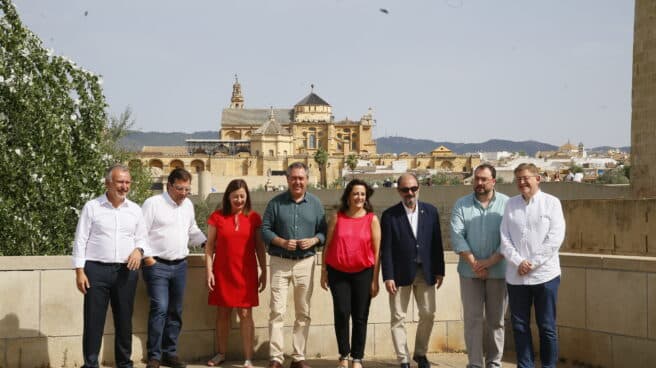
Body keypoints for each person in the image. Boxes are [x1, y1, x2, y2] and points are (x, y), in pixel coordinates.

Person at [72, 164, 149, 368]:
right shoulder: (92, 207)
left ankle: (124, 363)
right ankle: (90, 364)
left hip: (126, 272)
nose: (124, 186)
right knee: (93, 321)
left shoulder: (135, 210)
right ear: (108, 183)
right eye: (120, 182)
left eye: (127, 182)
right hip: (95, 270)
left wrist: (138, 250)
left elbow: (143, 238)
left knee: (124, 320)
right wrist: (79, 272)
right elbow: (80, 240)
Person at [261, 162, 327, 368]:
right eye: (294, 178)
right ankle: (276, 358)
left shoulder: (316, 204)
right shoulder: (275, 203)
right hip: (280, 262)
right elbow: (264, 229)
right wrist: (280, 241)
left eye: (301, 178)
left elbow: (324, 232)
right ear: (287, 179)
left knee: (303, 312)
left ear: (307, 180)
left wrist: (315, 240)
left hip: (306, 263)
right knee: (276, 311)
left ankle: (298, 357)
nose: (297, 181)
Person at [500, 163, 566, 368]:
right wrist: (519, 262)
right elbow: (504, 239)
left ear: (538, 178)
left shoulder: (552, 203)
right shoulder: (510, 204)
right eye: (518, 178)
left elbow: (555, 238)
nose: (522, 182)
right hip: (516, 277)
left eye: (526, 178)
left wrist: (532, 263)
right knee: (519, 326)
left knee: (547, 326)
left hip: (545, 276)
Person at [141, 168, 207, 368]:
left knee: (176, 310)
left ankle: (170, 352)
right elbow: (140, 232)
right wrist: (148, 258)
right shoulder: (152, 204)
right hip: (157, 265)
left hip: (180, 265)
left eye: (187, 189)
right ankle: (154, 356)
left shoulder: (187, 205)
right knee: (160, 308)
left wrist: (207, 243)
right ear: (169, 185)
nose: (184, 193)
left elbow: (192, 230)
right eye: (180, 189)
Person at [380, 173, 445, 368]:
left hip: (426, 272)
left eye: (413, 189)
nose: (410, 193)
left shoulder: (431, 212)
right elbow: (387, 249)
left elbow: (436, 243)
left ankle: (420, 353)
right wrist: (388, 276)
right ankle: (403, 359)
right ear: (398, 191)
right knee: (398, 317)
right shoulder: (390, 215)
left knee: (428, 313)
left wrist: (440, 270)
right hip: (400, 274)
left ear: (419, 188)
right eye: (405, 190)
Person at [450, 164, 509, 368]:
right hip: (469, 273)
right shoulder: (461, 205)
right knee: (472, 321)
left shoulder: (507, 204)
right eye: (477, 179)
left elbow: (509, 239)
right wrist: (476, 264)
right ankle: (475, 363)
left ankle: (494, 363)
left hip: (499, 272)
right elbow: (457, 237)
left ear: (494, 181)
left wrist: (490, 262)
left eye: (484, 179)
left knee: (496, 321)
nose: (479, 183)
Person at [205, 179, 267, 368]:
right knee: (222, 313)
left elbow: (259, 247)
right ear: (228, 197)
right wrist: (209, 272)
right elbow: (209, 248)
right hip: (223, 273)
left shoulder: (254, 217)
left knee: (246, 314)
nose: (239, 200)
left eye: (242, 196)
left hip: (246, 273)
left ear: (246, 197)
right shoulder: (217, 217)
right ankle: (221, 353)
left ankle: (248, 358)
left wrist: (264, 271)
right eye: (235, 196)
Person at [320, 179, 381, 368]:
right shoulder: (337, 217)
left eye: (362, 194)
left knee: (360, 315)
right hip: (338, 273)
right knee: (341, 313)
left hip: (363, 273)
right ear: (348, 196)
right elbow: (327, 245)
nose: (359, 197)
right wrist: (323, 271)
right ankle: (344, 356)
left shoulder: (372, 219)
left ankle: (357, 358)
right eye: (355, 193)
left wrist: (375, 280)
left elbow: (377, 252)